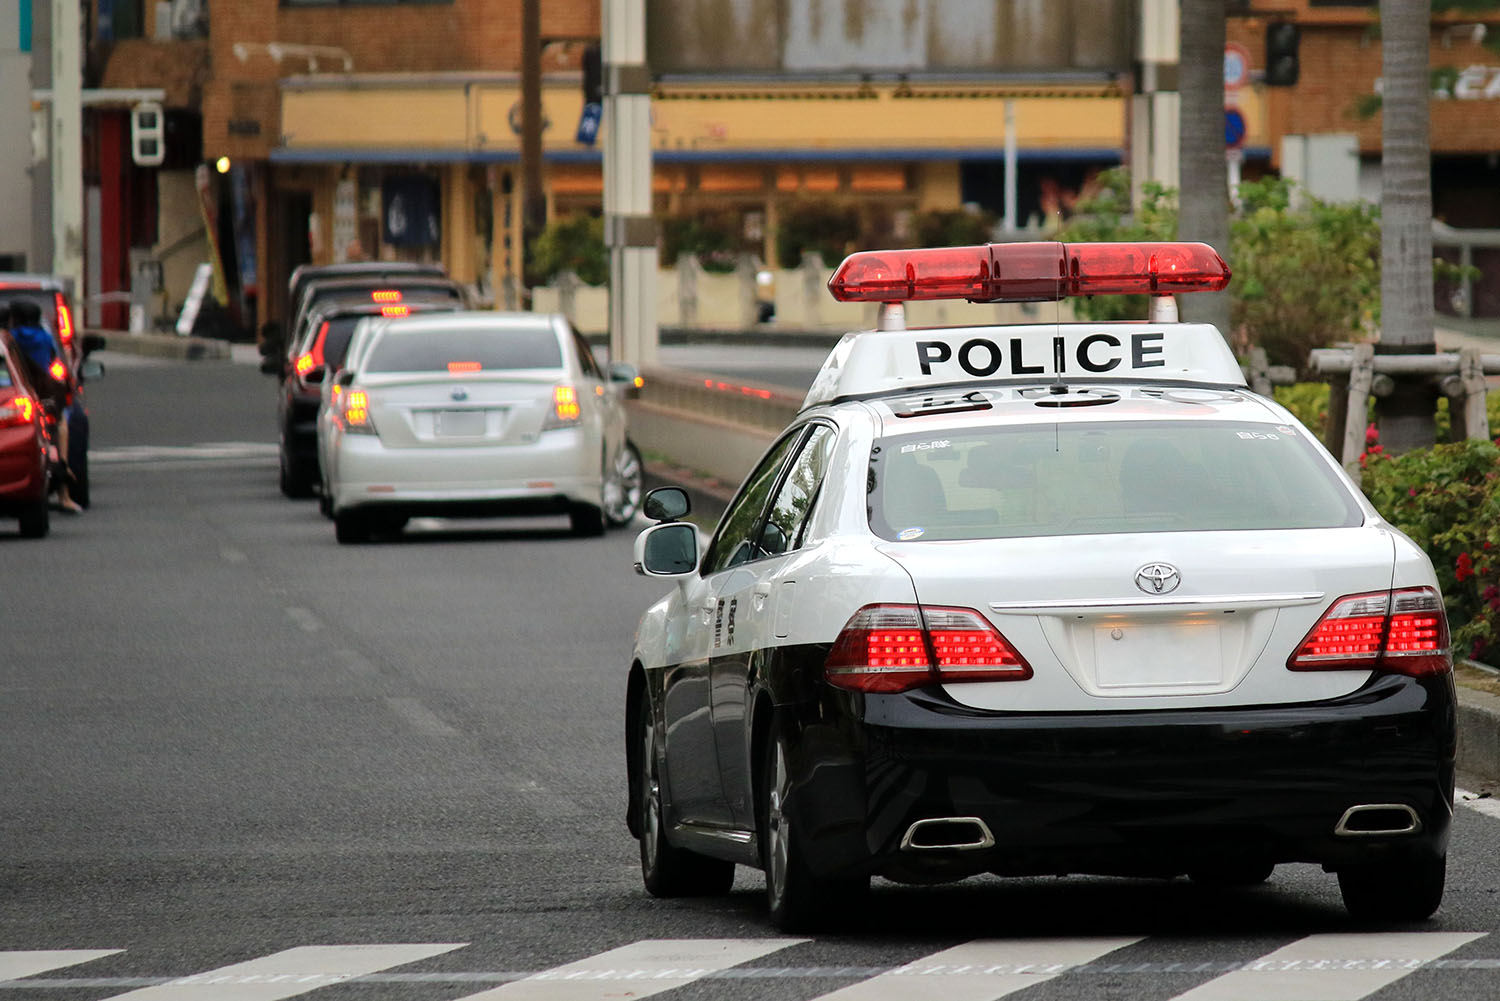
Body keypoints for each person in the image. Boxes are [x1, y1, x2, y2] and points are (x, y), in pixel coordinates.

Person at [8, 300, 82, 513]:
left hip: (22, 392)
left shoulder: (11, 338)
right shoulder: (45, 337)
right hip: (44, 395)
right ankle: (64, 494)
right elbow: (53, 361)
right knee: (61, 428)